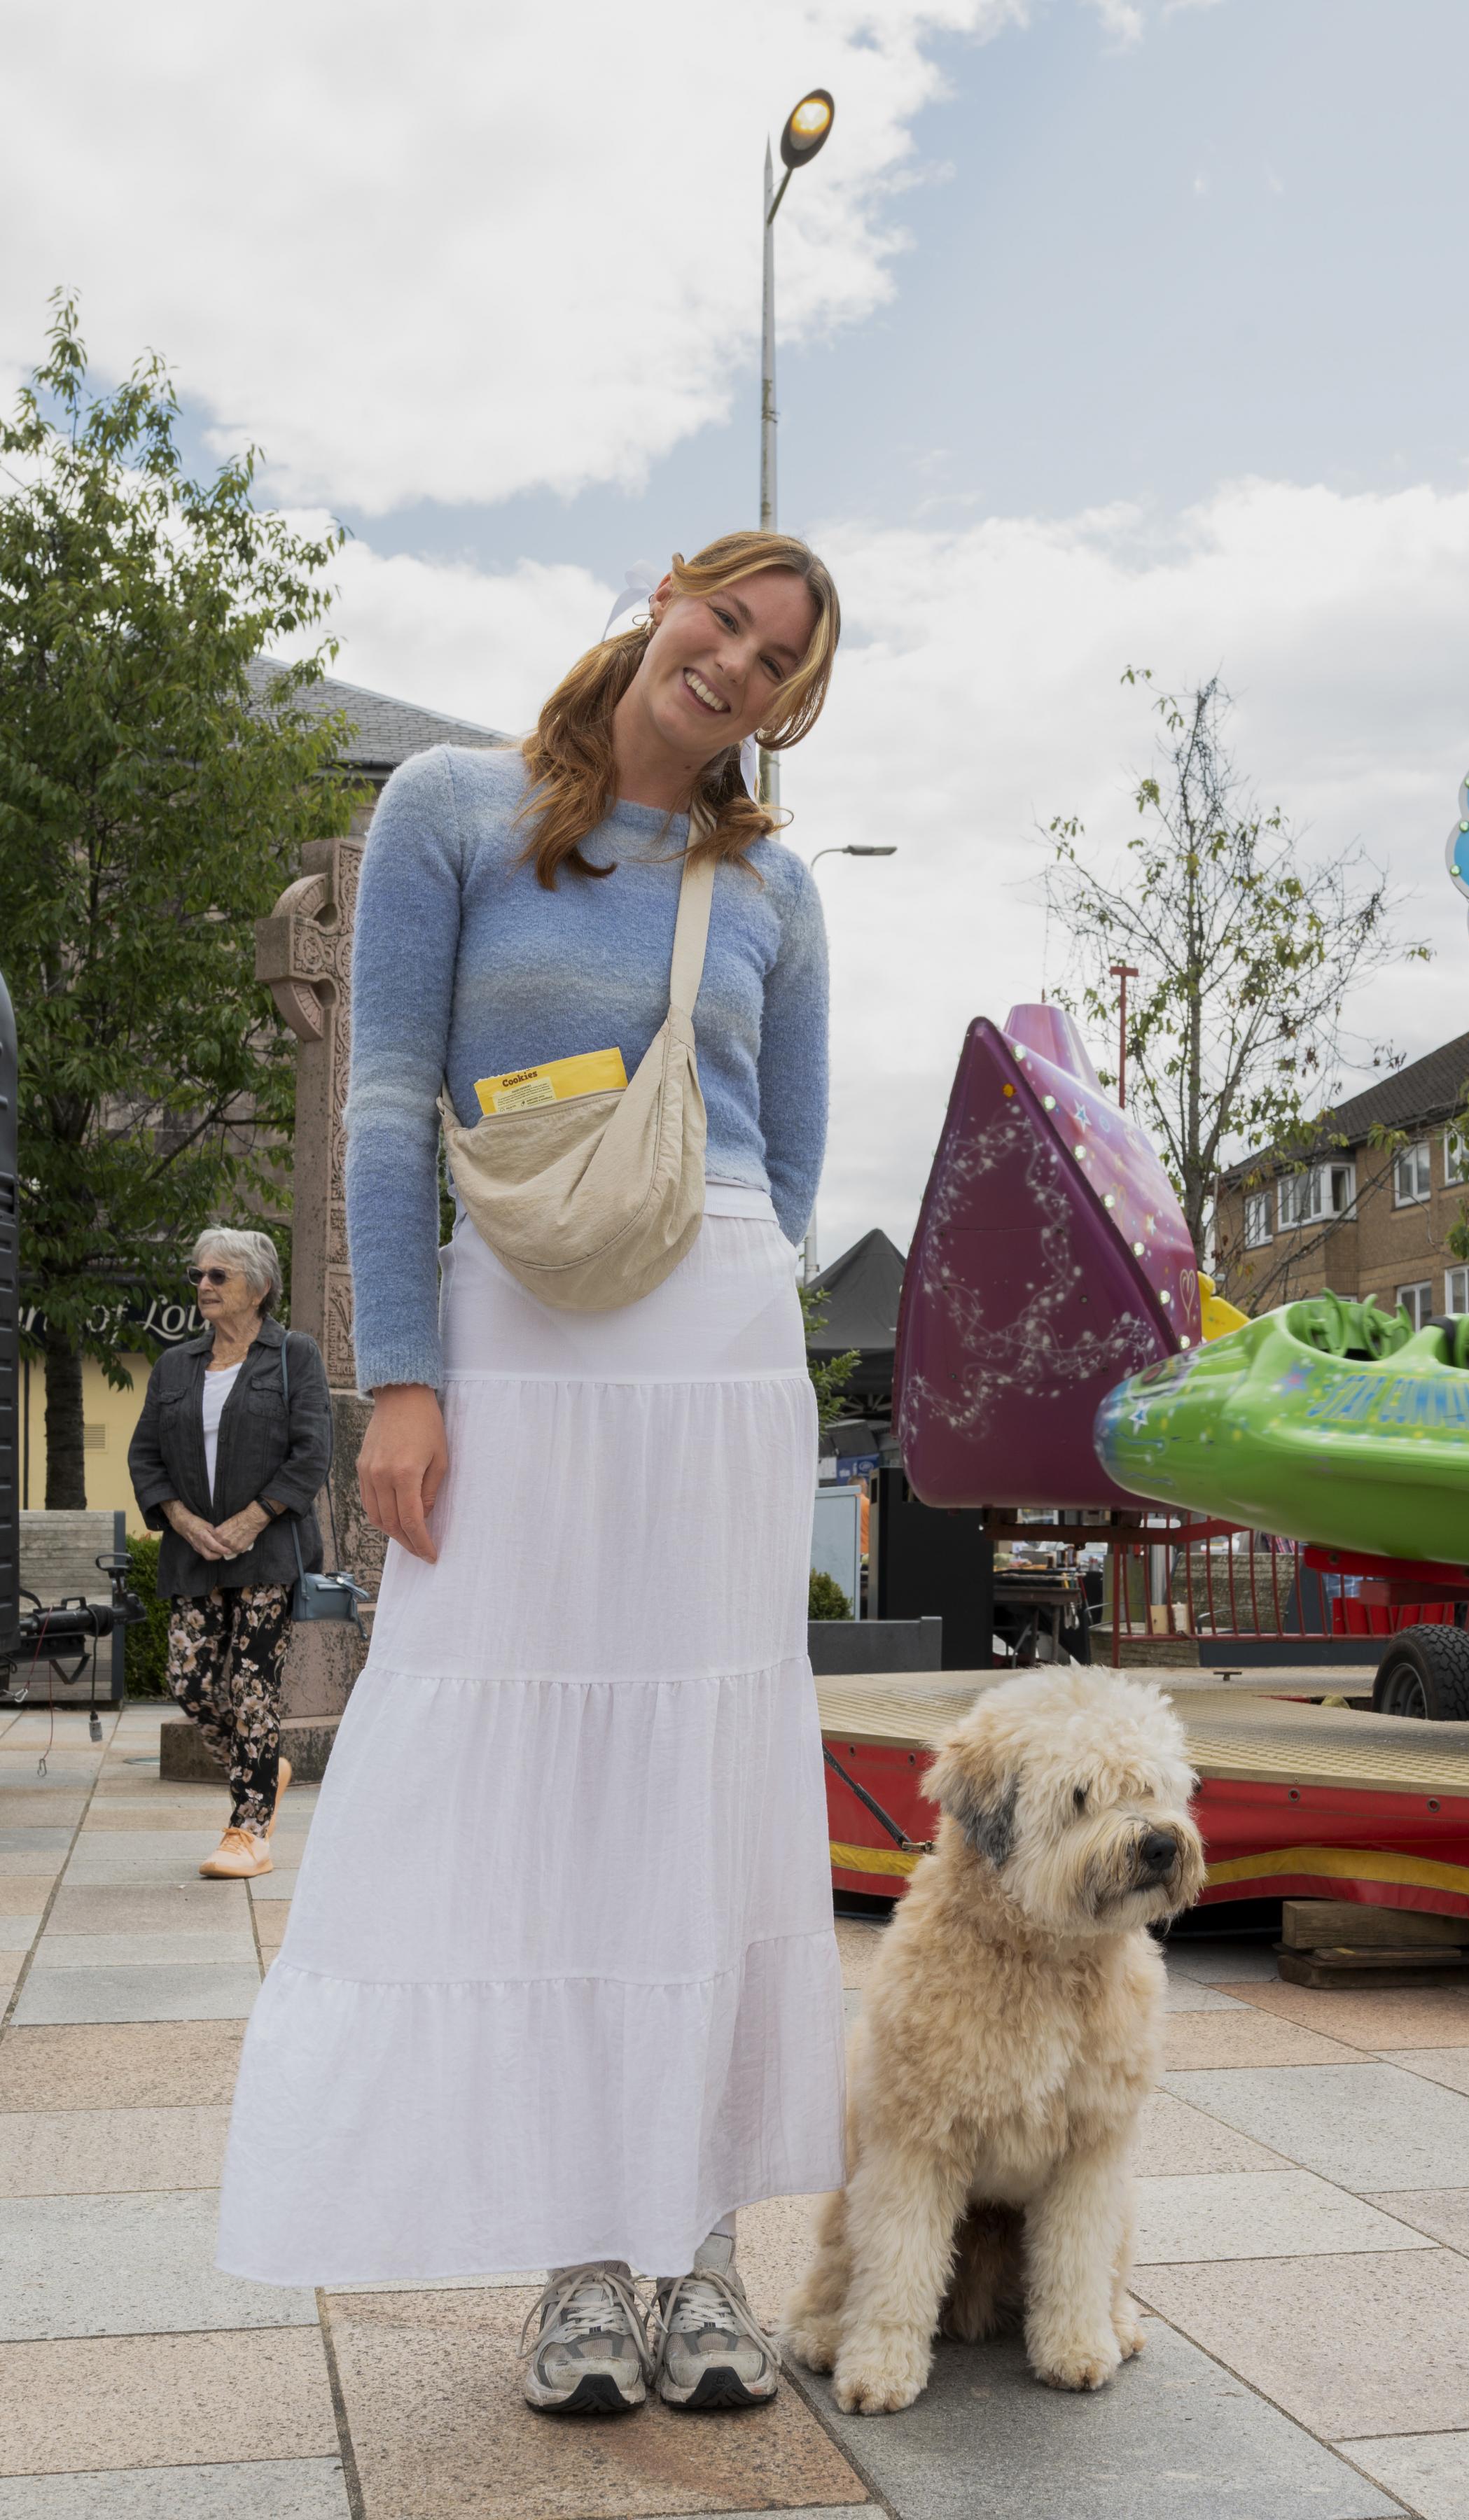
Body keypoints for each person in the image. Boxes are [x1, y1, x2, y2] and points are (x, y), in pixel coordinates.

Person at [216, 529, 847, 2418]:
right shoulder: (453, 808)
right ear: (670, 595)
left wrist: (711, 1304)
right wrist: (401, 1374)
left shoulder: (777, 889)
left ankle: (706, 2244)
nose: (732, 664)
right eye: (725, 618)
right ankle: (585, 2252)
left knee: (706, 1786)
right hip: (515, 1345)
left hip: (712, 1348)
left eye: (778, 661)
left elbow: (790, 1176)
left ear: (793, 708)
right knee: (541, 1785)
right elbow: (387, 1110)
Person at [127, 1228, 333, 1879]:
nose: (204, 1286)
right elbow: (145, 1457)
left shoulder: (293, 1356)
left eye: (219, 1275)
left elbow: (312, 1453)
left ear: (260, 1286)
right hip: (195, 1554)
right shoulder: (176, 1366)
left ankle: (249, 1832)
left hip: (267, 1550)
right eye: (198, 1276)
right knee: (188, 1683)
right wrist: (184, 1521)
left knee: (252, 1689)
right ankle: (267, 1770)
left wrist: (249, 1521)